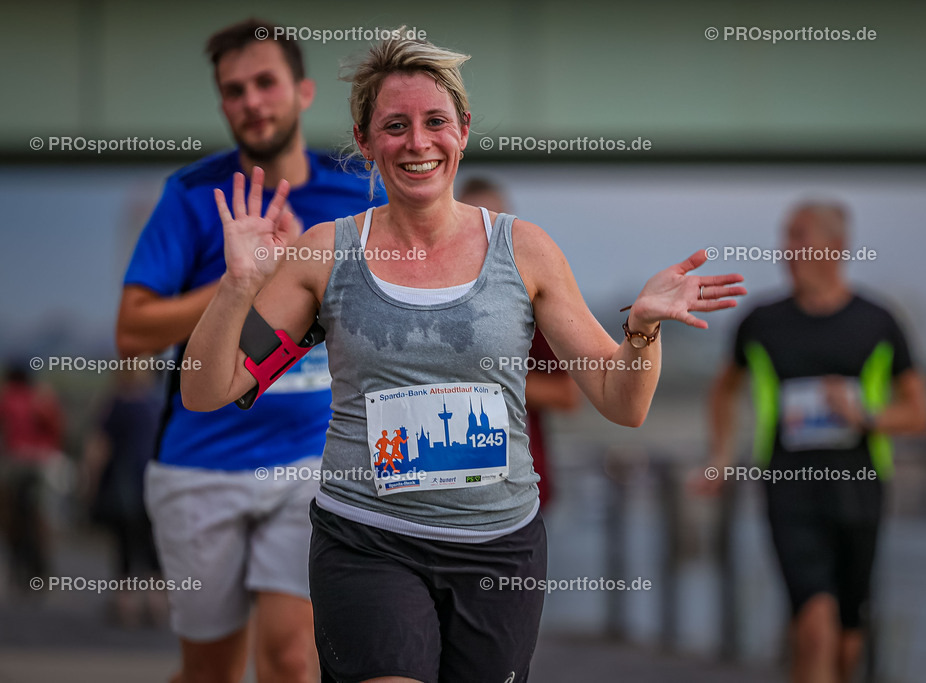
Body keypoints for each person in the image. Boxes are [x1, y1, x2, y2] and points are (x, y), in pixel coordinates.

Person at [180, 31, 745, 683]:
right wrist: (237, 287)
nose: (417, 142)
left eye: (435, 122)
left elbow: (623, 403)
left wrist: (642, 331)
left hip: (499, 550)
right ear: (365, 140)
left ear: (463, 130)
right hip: (368, 539)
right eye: (395, 125)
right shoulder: (324, 253)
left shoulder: (526, 251)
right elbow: (205, 389)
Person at [116, 18, 383, 683]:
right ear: (223, 103)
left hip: (312, 461)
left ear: (304, 92)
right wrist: (243, 278)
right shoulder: (191, 195)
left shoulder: (360, 193)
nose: (252, 102)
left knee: (291, 657)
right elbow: (133, 330)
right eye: (234, 91)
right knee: (211, 670)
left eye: (266, 83)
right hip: (199, 464)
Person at [695, 202, 926, 683]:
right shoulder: (761, 321)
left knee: (846, 639)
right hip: (788, 488)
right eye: (786, 237)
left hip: (860, 489)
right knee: (814, 626)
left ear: (835, 246)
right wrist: (720, 456)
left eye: (800, 236)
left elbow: (918, 412)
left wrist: (865, 417)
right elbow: (723, 389)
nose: (787, 249)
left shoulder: (878, 320)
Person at [457, 177, 580, 508]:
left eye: (497, 226)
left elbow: (567, 394)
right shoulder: (426, 293)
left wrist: (481, 378)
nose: (487, 237)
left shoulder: (529, 299)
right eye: (473, 224)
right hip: (445, 489)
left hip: (521, 488)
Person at [82, 367, 165, 627]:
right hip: (156, 485)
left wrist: (90, 487)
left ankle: (126, 604)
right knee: (153, 546)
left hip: (125, 487)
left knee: (125, 546)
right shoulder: (158, 405)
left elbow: (98, 450)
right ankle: (156, 603)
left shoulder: (116, 406)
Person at [0, 363, 64, 591]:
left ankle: (14, 558)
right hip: (44, 460)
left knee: (8, 511)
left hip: (15, 460)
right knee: (45, 511)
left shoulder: (6, 397)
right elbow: (58, 430)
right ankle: (45, 555)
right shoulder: (42, 397)